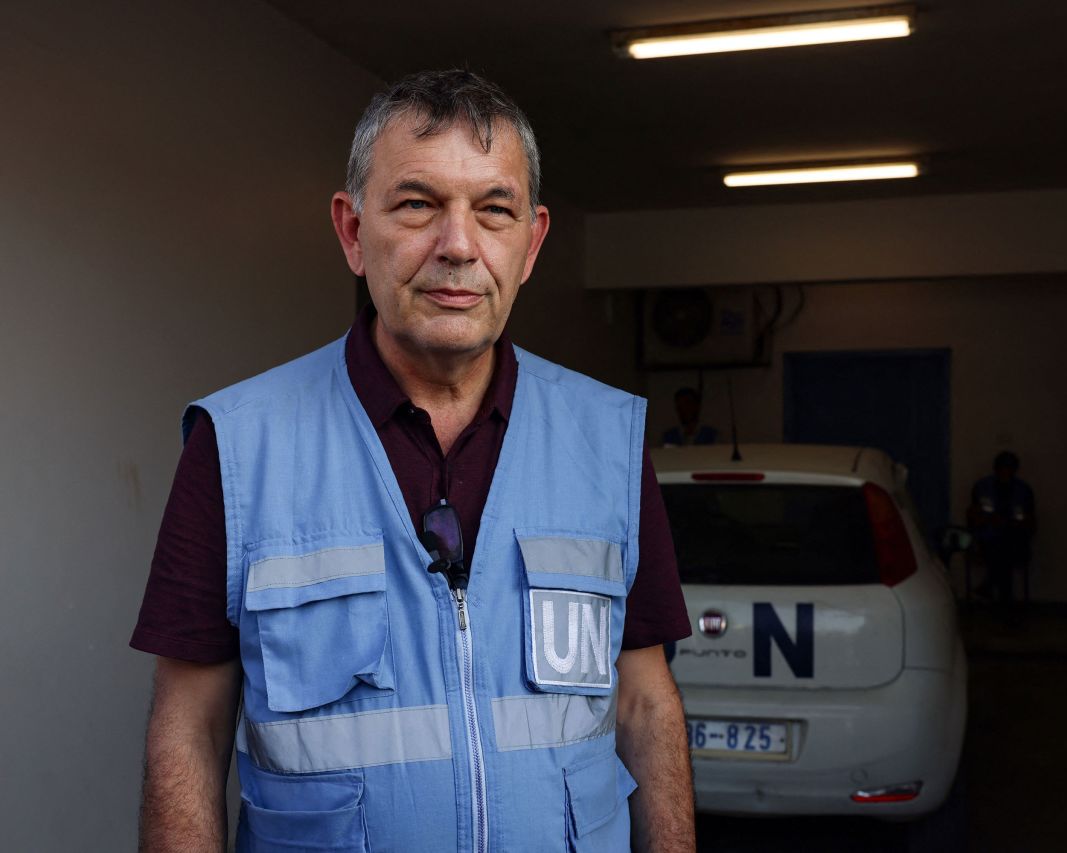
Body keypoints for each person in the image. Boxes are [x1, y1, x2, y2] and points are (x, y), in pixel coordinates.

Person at [131, 70, 695, 852]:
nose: (458, 246)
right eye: (418, 204)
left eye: (492, 210)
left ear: (530, 243)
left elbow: (645, 703)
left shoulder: (608, 439)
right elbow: (188, 726)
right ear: (354, 232)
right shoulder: (235, 447)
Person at [967, 451, 1037, 613]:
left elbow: (1031, 523)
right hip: (988, 541)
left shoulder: (1023, 490)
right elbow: (972, 517)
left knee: (1005, 549)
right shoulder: (983, 487)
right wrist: (988, 520)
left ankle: (990, 587)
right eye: (1002, 468)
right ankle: (1005, 604)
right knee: (999, 551)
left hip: (1016, 541)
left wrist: (1014, 523)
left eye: (1009, 469)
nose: (1005, 473)